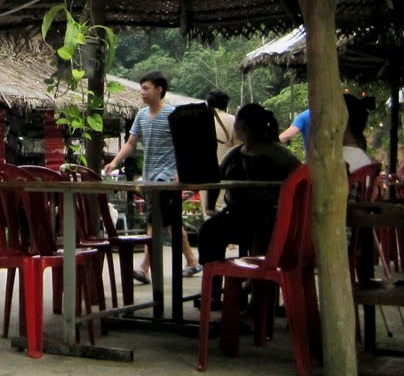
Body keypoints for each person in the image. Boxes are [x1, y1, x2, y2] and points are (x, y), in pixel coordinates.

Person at [102, 72, 200, 282]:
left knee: (153, 220)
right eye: (141, 88)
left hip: (167, 179)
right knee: (171, 222)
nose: (142, 93)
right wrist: (115, 162)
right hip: (149, 178)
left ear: (159, 89)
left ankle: (144, 267)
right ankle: (192, 261)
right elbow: (131, 143)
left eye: (146, 88)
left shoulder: (173, 115)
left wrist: (179, 171)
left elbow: (185, 146)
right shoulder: (141, 115)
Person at [196, 104, 300, 261]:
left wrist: (210, 207)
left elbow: (300, 184)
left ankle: (256, 280)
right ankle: (214, 278)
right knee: (210, 229)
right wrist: (210, 208)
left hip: (271, 220)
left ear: (242, 125)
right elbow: (216, 179)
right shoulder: (235, 154)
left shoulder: (279, 156)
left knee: (259, 226)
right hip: (239, 217)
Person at [203, 90, 237, 215]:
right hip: (226, 174)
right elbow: (239, 149)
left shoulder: (202, 120)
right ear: (225, 105)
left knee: (207, 212)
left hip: (204, 174)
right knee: (223, 212)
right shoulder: (233, 120)